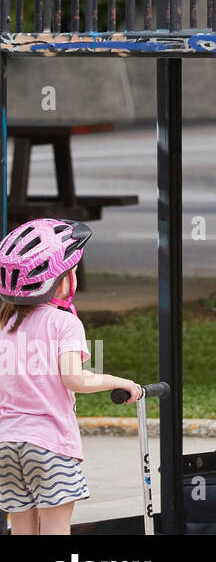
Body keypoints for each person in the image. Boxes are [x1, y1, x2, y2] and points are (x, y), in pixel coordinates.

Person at [0, 219, 143, 535]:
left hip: (6, 444)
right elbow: (75, 379)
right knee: (55, 526)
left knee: (23, 529)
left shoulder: (4, 325)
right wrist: (121, 382)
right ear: (61, 281)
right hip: (49, 444)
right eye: (72, 270)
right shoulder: (63, 324)